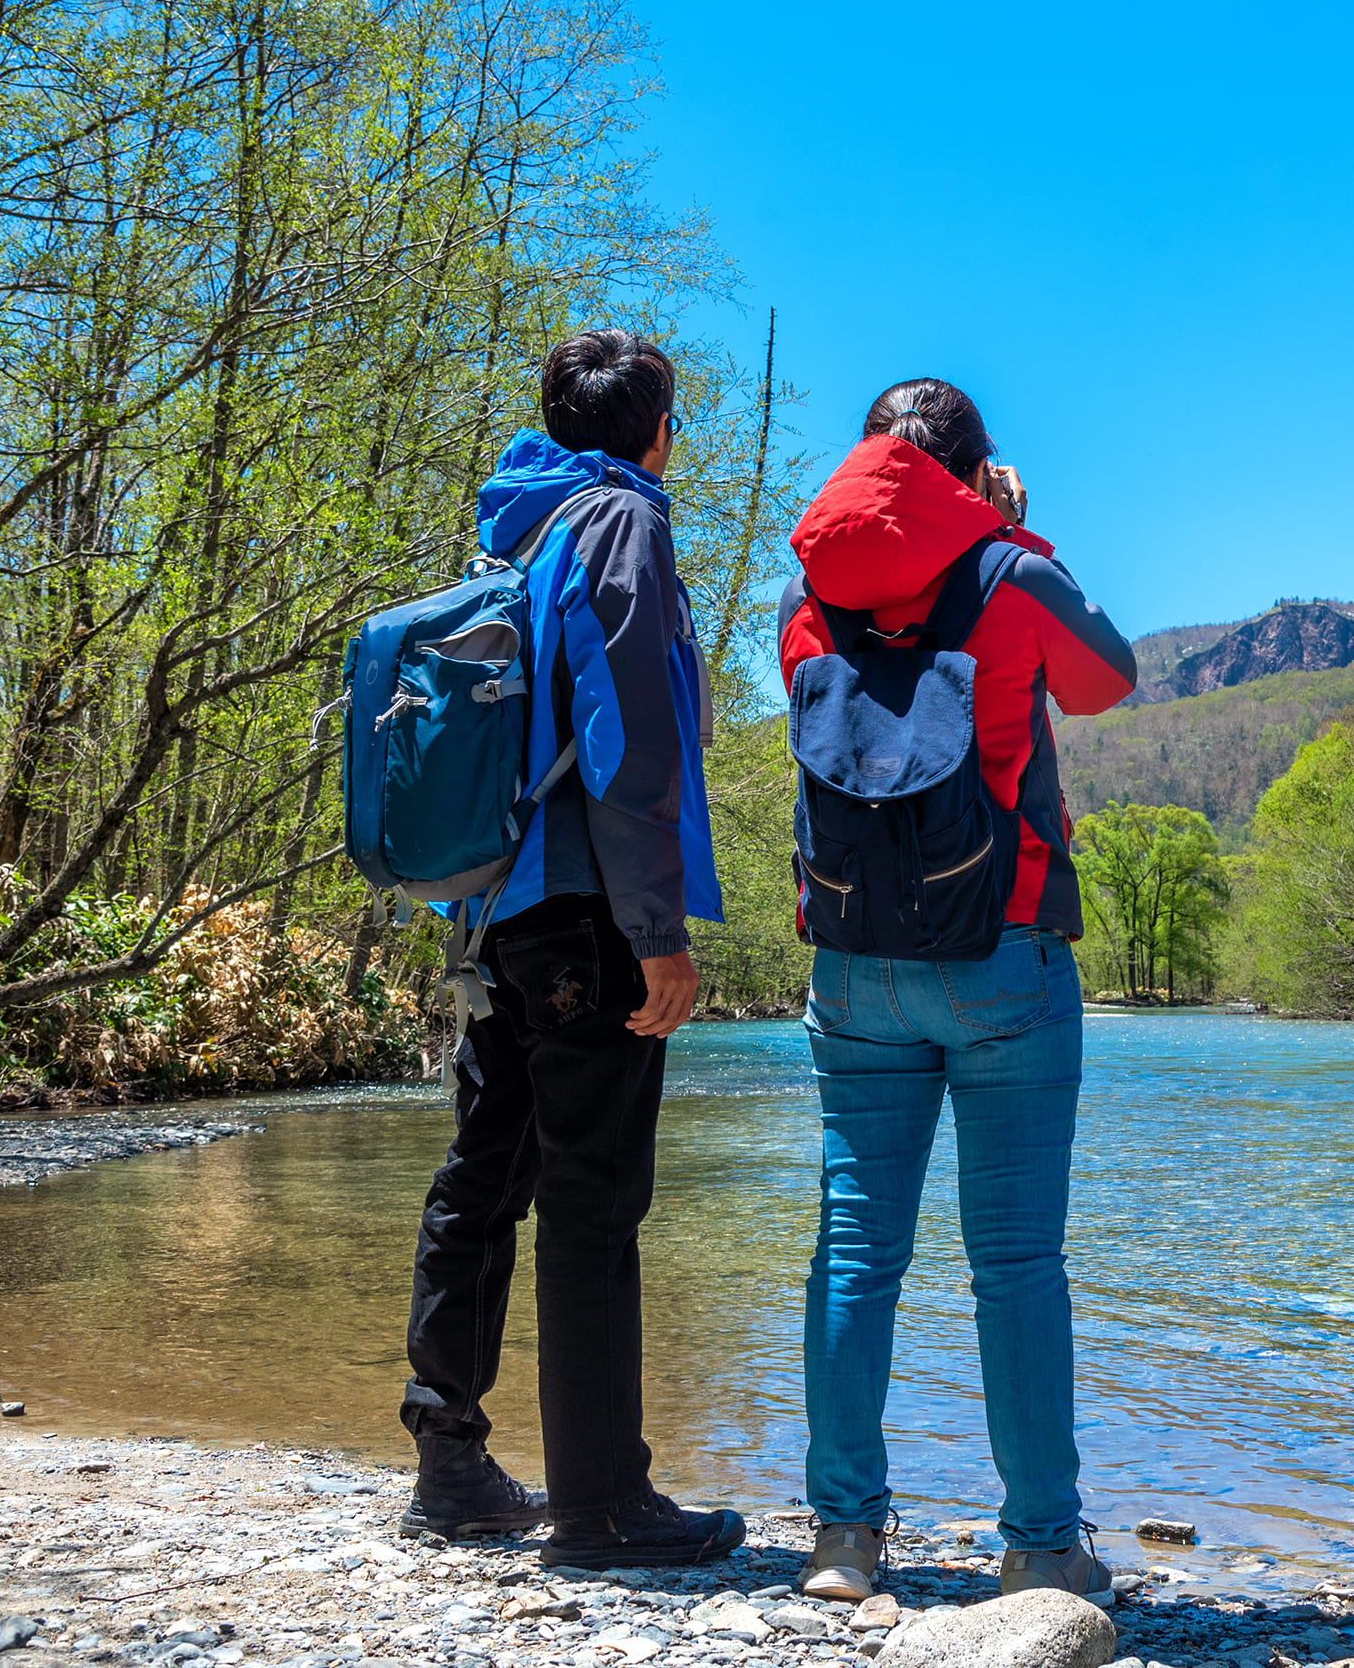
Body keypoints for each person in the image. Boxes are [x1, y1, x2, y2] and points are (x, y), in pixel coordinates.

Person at [774, 379, 1139, 1606]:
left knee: (853, 1248)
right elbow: (1104, 682)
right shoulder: (1009, 574)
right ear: (970, 475)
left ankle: (841, 1540)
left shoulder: (804, 595)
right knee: (1017, 1261)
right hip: (1006, 956)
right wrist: (1016, 535)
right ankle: (1039, 1544)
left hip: (854, 960)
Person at [395, 327, 746, 1571]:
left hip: (490, 913)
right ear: (658, 431)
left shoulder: (513, 525)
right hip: (589, 909)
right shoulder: (623, 525)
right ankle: (601, 1502)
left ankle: (451, 1465)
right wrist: (658, 932)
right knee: (593, 1203)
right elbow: (631, 742)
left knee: (483, 1177)